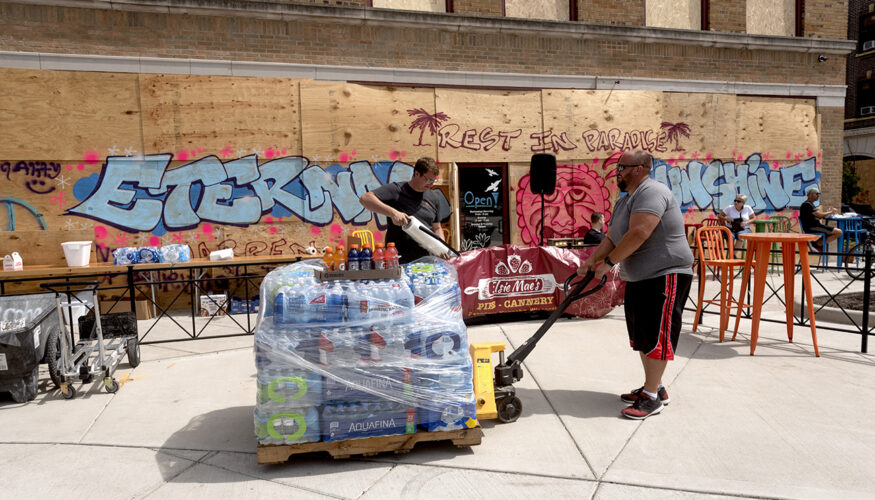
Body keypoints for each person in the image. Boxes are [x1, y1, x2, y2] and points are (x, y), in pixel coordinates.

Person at [578, 150, 693, 420]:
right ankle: (655, 387)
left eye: (622, 167)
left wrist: (609, 262)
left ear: (639, 168)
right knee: (642, 335)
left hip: (666, 273)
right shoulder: (626, 199)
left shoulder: (652, 192)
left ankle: (651, 398)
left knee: (656, 335)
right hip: (640, 277)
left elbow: (640, 232)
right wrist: (591, 261)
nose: (617, 171)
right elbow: (612, 237)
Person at [359, 157, 448, 264]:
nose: (431, 184)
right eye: (428, 179)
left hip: (425, 262)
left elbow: (437, 227)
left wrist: (442, 247)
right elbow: (365, 199)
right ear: (416, 174)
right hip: (397, 260)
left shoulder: (433, 197)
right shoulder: (397, 190)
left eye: (433, 180)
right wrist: (393, 213)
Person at [799, 186, 840, 252]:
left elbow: (818, 214)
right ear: (811, 195)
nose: (818, 196)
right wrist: (831, 212)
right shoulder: (807, 205)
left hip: (816, 226)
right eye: (817, 194)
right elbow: (819, 215)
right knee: (838, 232)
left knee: (834, 232)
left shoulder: (810, 204)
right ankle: (817, 244)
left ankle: (816, 244)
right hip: (813, 227)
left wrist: (826, 214)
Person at [717, 194, 754, 258]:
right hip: (731, 228)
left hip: (743, 228)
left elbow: (753, 218)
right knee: (730, 236)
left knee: (741, 236)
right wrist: (727, 219)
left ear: (743, 203)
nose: (736, 202)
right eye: (735, 200)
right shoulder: (729, 208)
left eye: (738, 201)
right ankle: (732, 256)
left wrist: (746, 222)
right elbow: (720, 216)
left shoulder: (747, 208)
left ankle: (732, 256)